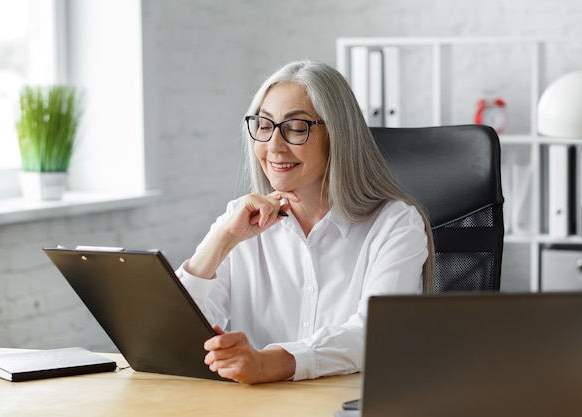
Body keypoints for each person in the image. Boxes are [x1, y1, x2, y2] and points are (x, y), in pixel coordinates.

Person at [176, 59, 434, 384]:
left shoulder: (395, 223)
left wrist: (271, 363)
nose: (273, 146)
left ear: (338, 136)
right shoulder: (241, 221)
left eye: (296, 128)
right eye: (265, 126)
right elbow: (172, 334)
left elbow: (374, 335)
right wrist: (223, 239)